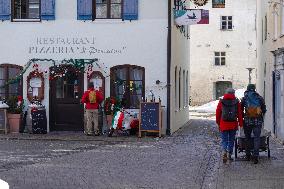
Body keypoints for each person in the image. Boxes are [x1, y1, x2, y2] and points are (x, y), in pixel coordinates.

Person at [216, 88, 243, 163]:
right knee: (231, 139)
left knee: (224, 139)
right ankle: (229, 154)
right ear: (233, 93)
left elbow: (218, 113)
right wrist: (240, 124)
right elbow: (239, 114)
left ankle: (224, 151)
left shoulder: (221, 101)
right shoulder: (237, 102)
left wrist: (218, 123)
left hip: (223, 124)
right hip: (233, 124)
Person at [241, 84, 266, 164]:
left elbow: (241, 109)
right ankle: (256, 156)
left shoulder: (245, 98)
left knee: (247, 138)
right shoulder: (259, 97)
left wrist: (243, 116)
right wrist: (261, 115)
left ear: (247, 89)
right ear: (254, 89)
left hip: (247, 121)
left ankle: (248, 155)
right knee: (257, 138)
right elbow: (264, 109)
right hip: (257, 121)